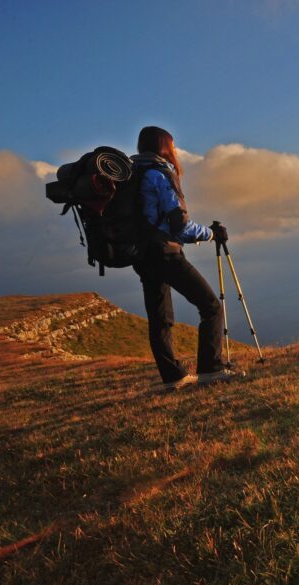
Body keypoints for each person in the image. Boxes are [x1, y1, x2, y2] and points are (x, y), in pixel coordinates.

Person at [131, 126, 240, 390]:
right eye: (173, 146)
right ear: (164, 147)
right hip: (166, 252)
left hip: (141, 254)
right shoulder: (160, 173)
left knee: (160, 319)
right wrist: (211, 234)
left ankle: (172, 377)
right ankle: (210, 369)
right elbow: (180, 225)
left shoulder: (131, 174)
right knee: (211, 306)